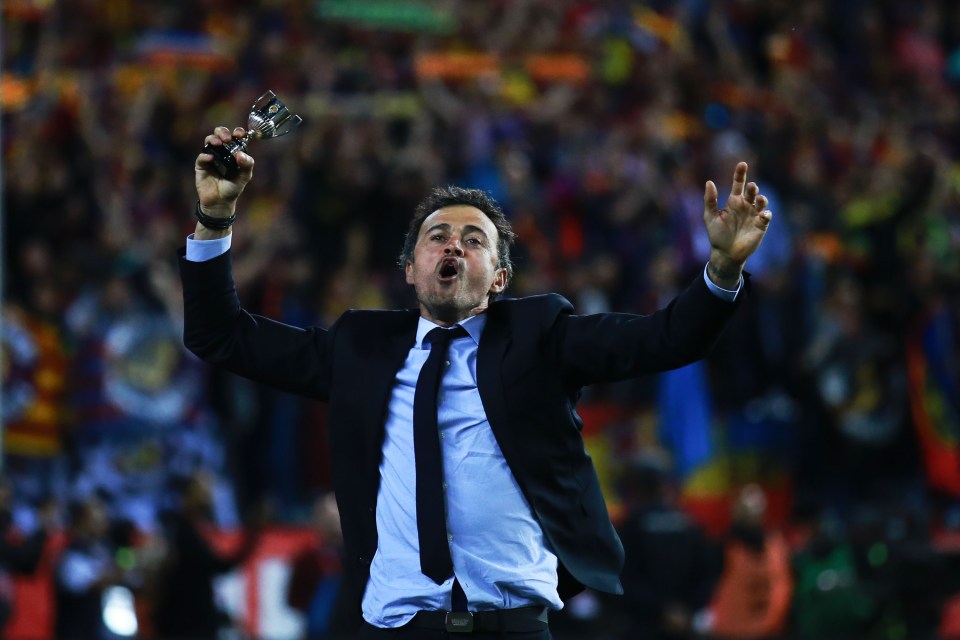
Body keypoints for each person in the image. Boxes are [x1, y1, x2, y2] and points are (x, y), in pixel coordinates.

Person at [178, 126, 772, 638]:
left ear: (499, 277)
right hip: (396, 628)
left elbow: (668, 338)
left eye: (473, 239)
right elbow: (220, 336)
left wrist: (721, 270)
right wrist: (215, 217)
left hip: (514, 626)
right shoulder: (360, 348)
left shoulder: (543, 335)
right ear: (411, 270)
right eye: (437, 237)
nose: (453, 245)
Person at [151, 471, 262, 640]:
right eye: (203, 489)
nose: (209, 495)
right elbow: (214, 566)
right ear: (188, 495)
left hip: (194, 618)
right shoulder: (180, 530)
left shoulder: (200, 527)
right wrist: (253, 536)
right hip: (185, 622)